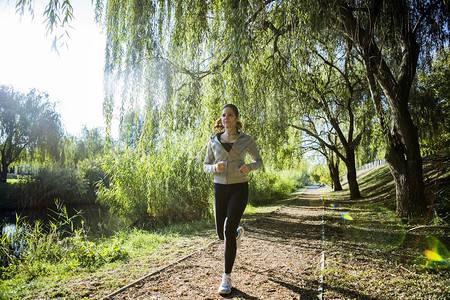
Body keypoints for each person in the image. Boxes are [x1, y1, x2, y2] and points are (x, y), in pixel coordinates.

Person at [203, 104, 263, 295]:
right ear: (220, 119)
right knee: (222, 235)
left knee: (227, 229)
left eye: (230, 115)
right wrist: (214, 168)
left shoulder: (246, 140)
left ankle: (226, 278)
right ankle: (236, 234)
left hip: (239, 188)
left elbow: (259, 161)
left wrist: (250, 167)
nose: (226, 118)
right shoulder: (213, 140)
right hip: (219, 189)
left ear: (236, 118)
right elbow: (205, 165)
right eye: (223, 115)